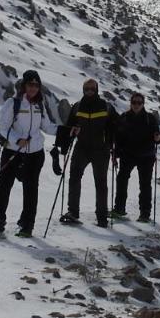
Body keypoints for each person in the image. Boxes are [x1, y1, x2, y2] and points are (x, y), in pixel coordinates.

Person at [0, 69, 56, 238]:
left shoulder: (40, 104)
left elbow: (47, 127)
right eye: (30, 84)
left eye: (36, 85)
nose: (33, 88)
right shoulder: (13, 103)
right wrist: (17, 140)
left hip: (35, 153)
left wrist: (65, 131)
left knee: (31, 189)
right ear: (24, 86)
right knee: (4, 187)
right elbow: (3, 128)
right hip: (13, 151)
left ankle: (27, 225)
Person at [57, 79, 117, 227]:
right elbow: (68, 126)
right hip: (81, 147)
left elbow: (116, 127)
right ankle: (73, 212)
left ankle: (102, 217)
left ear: (97, 89)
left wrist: (112, 145)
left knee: (101, 183)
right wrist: (64, 145)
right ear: (83, 89)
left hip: (101, 149)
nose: (89, 90)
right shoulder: (77, 107)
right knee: (74, 178)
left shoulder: (106, 106)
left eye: (92, 88)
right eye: (87, 88)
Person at [111, 92, 160, 220]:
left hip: (146, 156)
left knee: (144, 184)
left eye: (139, 102)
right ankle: (119, 208)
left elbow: (158, 137)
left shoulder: (150, 118)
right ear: (131, 103)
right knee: (122, 180)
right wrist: (115, 153)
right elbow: (118, 137)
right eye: (134, 102)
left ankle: (145, 213)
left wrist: (157, 138)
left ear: (143, 104)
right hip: (127, 154)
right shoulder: (124, 117)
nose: (136, 105)